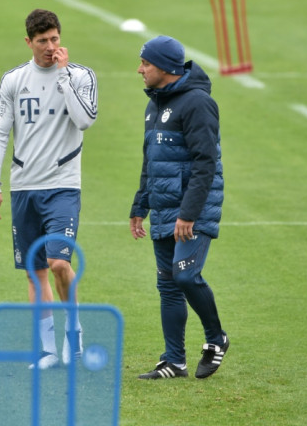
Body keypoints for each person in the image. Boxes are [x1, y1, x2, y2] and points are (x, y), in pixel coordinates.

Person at [0, 9, 98, 369]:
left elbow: (85, 120)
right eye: (43, 41)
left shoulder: (80, 76)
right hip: (24, 187)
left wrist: (63, 77)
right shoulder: (14, 80)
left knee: (59, 262)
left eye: (55, 39)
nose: (51, 47)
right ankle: (49, 351)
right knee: (36, 273)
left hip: (63, 186)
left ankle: (74, 335)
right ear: (29, 42)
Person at [129, 35, 228, 380]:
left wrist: (188, 214)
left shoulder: (198, 103)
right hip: (163, 207)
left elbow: (206, 163)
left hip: (192, 211)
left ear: (166, 68)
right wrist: (140, 205)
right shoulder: (154, 104)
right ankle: (174, 361)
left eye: (146, 63)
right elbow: (151, 162)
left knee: (185, 275)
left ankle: (217, 339)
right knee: (168, 284)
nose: (139, 69)